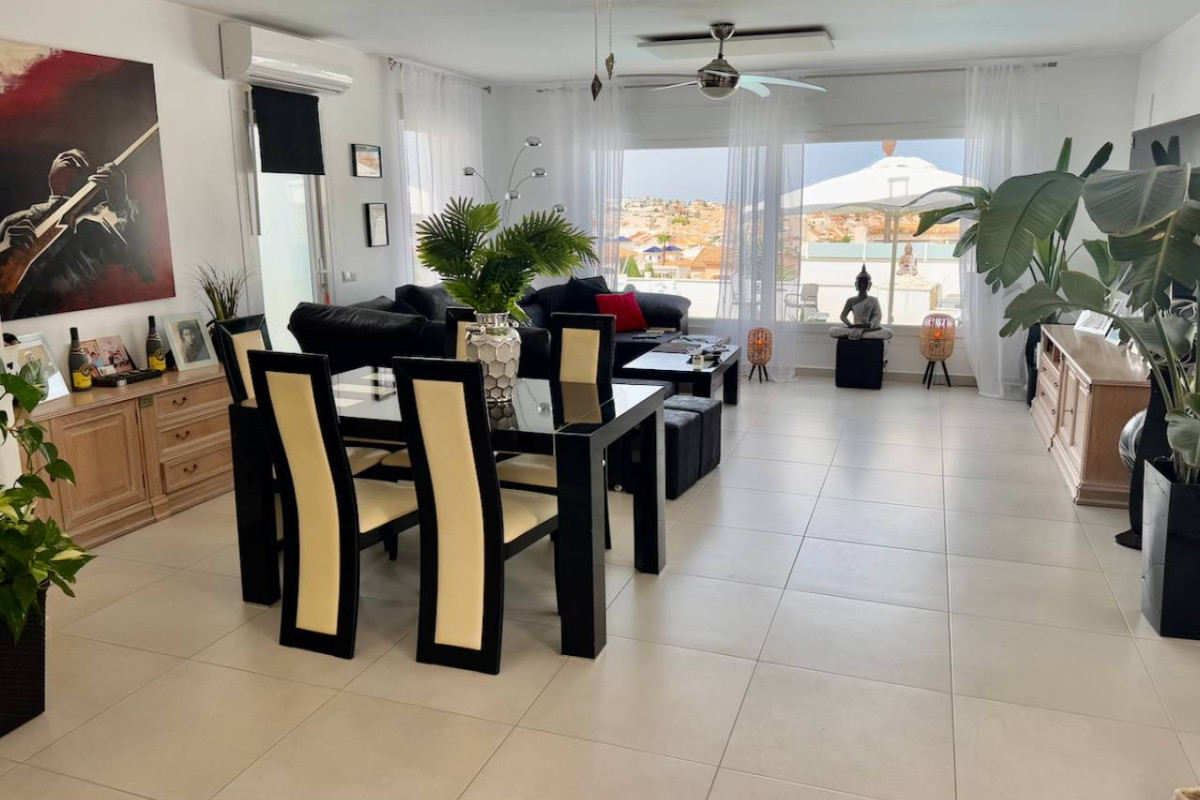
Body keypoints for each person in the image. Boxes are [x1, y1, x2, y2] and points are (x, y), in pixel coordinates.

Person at [0, 149, 145, 318]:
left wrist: (121, 206)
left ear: (91, 178)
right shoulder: (15, 221)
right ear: (49, 173)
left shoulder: (105, 215)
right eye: (64, 157)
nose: (73, 157)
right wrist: (4, 249)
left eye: (81, 163)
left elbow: (137, 257)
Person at [830, 266, 893, 341]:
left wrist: (870, 324)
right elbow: (843, 316)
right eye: (860, 283)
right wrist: (851, 325)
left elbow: (877, 316)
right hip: (856, 327)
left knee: (888, 332)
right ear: (856, 284)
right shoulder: (850, 300)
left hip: (869, 329)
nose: (862, 285)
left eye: (865, 283)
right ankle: (861, 334)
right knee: (833, 330)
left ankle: (859, 334)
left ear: (869, 285)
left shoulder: (873, 300)